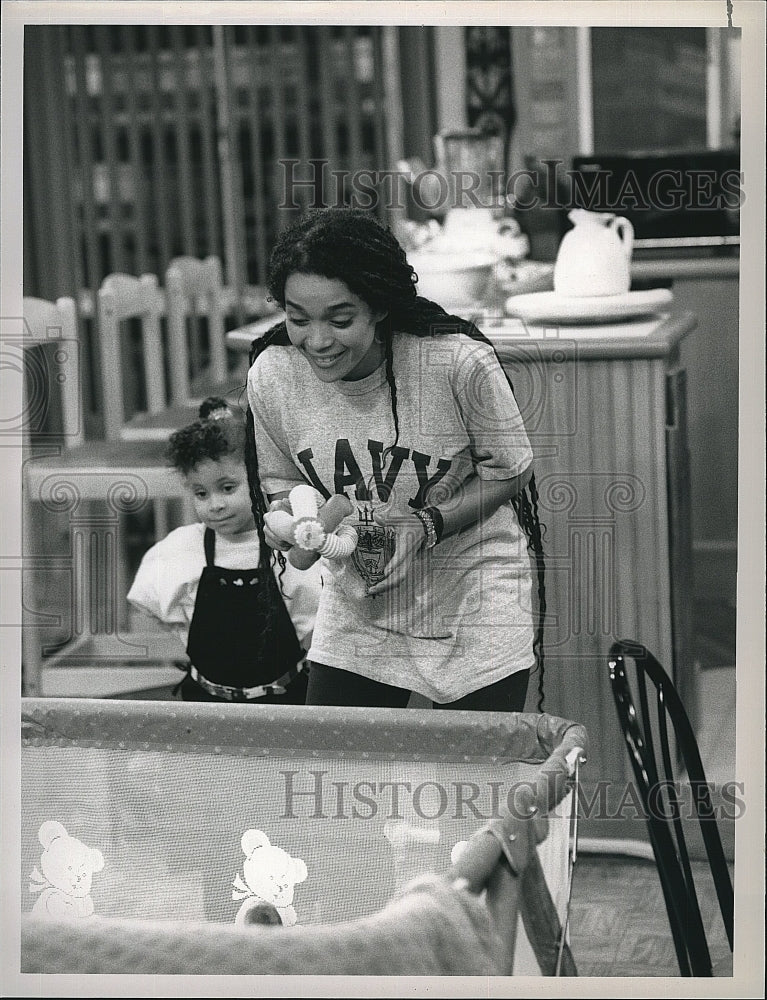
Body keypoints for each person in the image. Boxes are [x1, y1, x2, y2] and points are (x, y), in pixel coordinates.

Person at [245, 207, 546, 713]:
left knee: (473, 784)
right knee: (339, 775)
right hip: (360, 604)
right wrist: (289, 523)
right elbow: (283, 483)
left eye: (340, 320)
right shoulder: (273, 376)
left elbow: (509, 471)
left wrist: (425, 524)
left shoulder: (455, 362)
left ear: (380, 306)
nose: (317, 341)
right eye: (298, 319)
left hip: (472, 599)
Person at [127, 396, 323, 703]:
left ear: (257, 479)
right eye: (201, 493)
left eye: (228, 488)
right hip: (204, 701)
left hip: (285, 701)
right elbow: (150, 603)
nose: (216, 504)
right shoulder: (183, 547)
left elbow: (315, 612)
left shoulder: (284, 544)